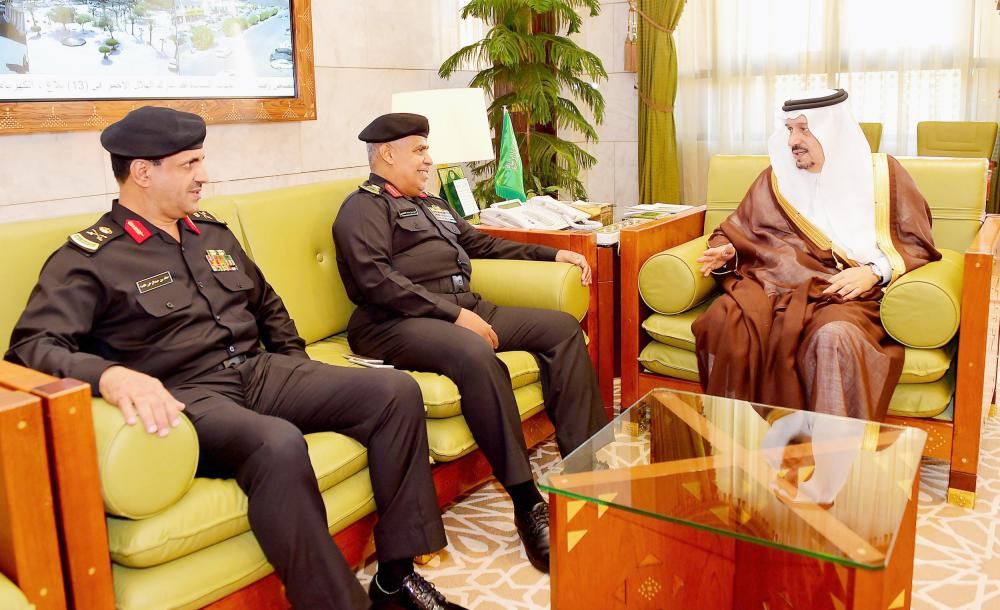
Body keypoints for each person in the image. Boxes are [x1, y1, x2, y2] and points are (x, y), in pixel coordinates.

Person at [5, 106, 465, 610]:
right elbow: (32, 346)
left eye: (201, 161)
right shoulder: (91, 258)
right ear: (142, 172)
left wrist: (298, 364)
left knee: (395, 392)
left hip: (257, 371)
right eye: (189, 164)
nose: (204, 175)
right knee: (277, 443)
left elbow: (267, 305)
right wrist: (111, 376)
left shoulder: (211, 234)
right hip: (189, 396)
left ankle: (396, 579)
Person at [333, 113, 608, 573]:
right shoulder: (363, 207)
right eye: (420, 150)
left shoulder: (433, 204)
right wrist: (455, 316)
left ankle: (586, 468)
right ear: (388, 154)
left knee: (561, 328)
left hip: (463, 307)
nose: (429, 159)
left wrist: (554, 253)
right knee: (474, 352)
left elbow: (483, 245)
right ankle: (527, 502)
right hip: (395, 321)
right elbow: (375, 280)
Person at [692, 89, 940, 421]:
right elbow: (740, 228)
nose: (793, 140)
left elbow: (917, 243)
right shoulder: (776, 179)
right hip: (777, 288)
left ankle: (828, 446)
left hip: (846, 294)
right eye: (790, 129)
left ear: (832, 130)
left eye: (804, 129)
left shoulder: (883, 176)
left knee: (834, 336)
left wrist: (873, 271)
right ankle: (738, 437)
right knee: (724, 318)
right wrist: (729, 249)